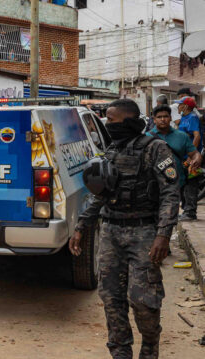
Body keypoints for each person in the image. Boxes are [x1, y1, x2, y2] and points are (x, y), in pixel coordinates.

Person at [71, 99, 179, 359]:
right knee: (111, 297)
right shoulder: (112, 150)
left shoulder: (156, 149)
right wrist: (83, 224)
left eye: (111, 120)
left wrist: (163, 234)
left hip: (143, 233)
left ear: (129, 121)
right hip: (111, 231)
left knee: (143, 300)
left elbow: (170, 194)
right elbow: (101, 194)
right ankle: (120, 352)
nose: (107, 124)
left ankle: (150, 346)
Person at [147, 104, 202, 189]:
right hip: (155, 186)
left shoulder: (182, 136)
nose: (163, 119)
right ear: (154, 120)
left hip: (179, 184)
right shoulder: (146, 137)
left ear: (171, 118)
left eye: (166, 116)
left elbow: (194, 153)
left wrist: (197, 159)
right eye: (159, 117)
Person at [172, 96, 202, 221]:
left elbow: (197, 136)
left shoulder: (192, 118)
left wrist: (192, 156)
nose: (178, 107)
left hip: (191, 159)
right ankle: (186, 210)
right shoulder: (184, 118)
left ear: (185, 106)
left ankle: (190, 212)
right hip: (182, 157)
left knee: (190, 184)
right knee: (183, 184)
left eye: (179, 104)